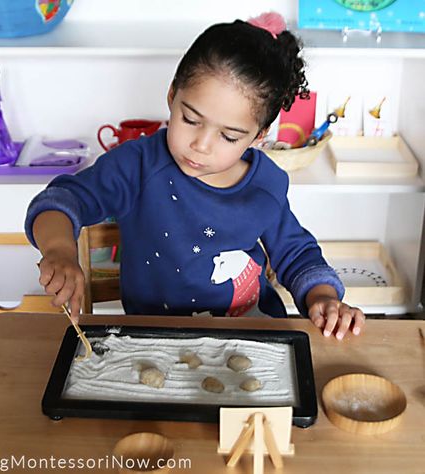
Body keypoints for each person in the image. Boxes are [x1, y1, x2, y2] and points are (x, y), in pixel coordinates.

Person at [25, 12, 365, 340]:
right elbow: (61, 200)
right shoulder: (137, 165)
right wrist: (59, 250)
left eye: (229, 137)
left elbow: (297, 253)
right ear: (173, 96)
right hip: (156, 340)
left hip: (250, 335)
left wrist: (322, 299)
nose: (200, 146)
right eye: (190, 119)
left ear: (258, 136)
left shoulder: (266, 185)